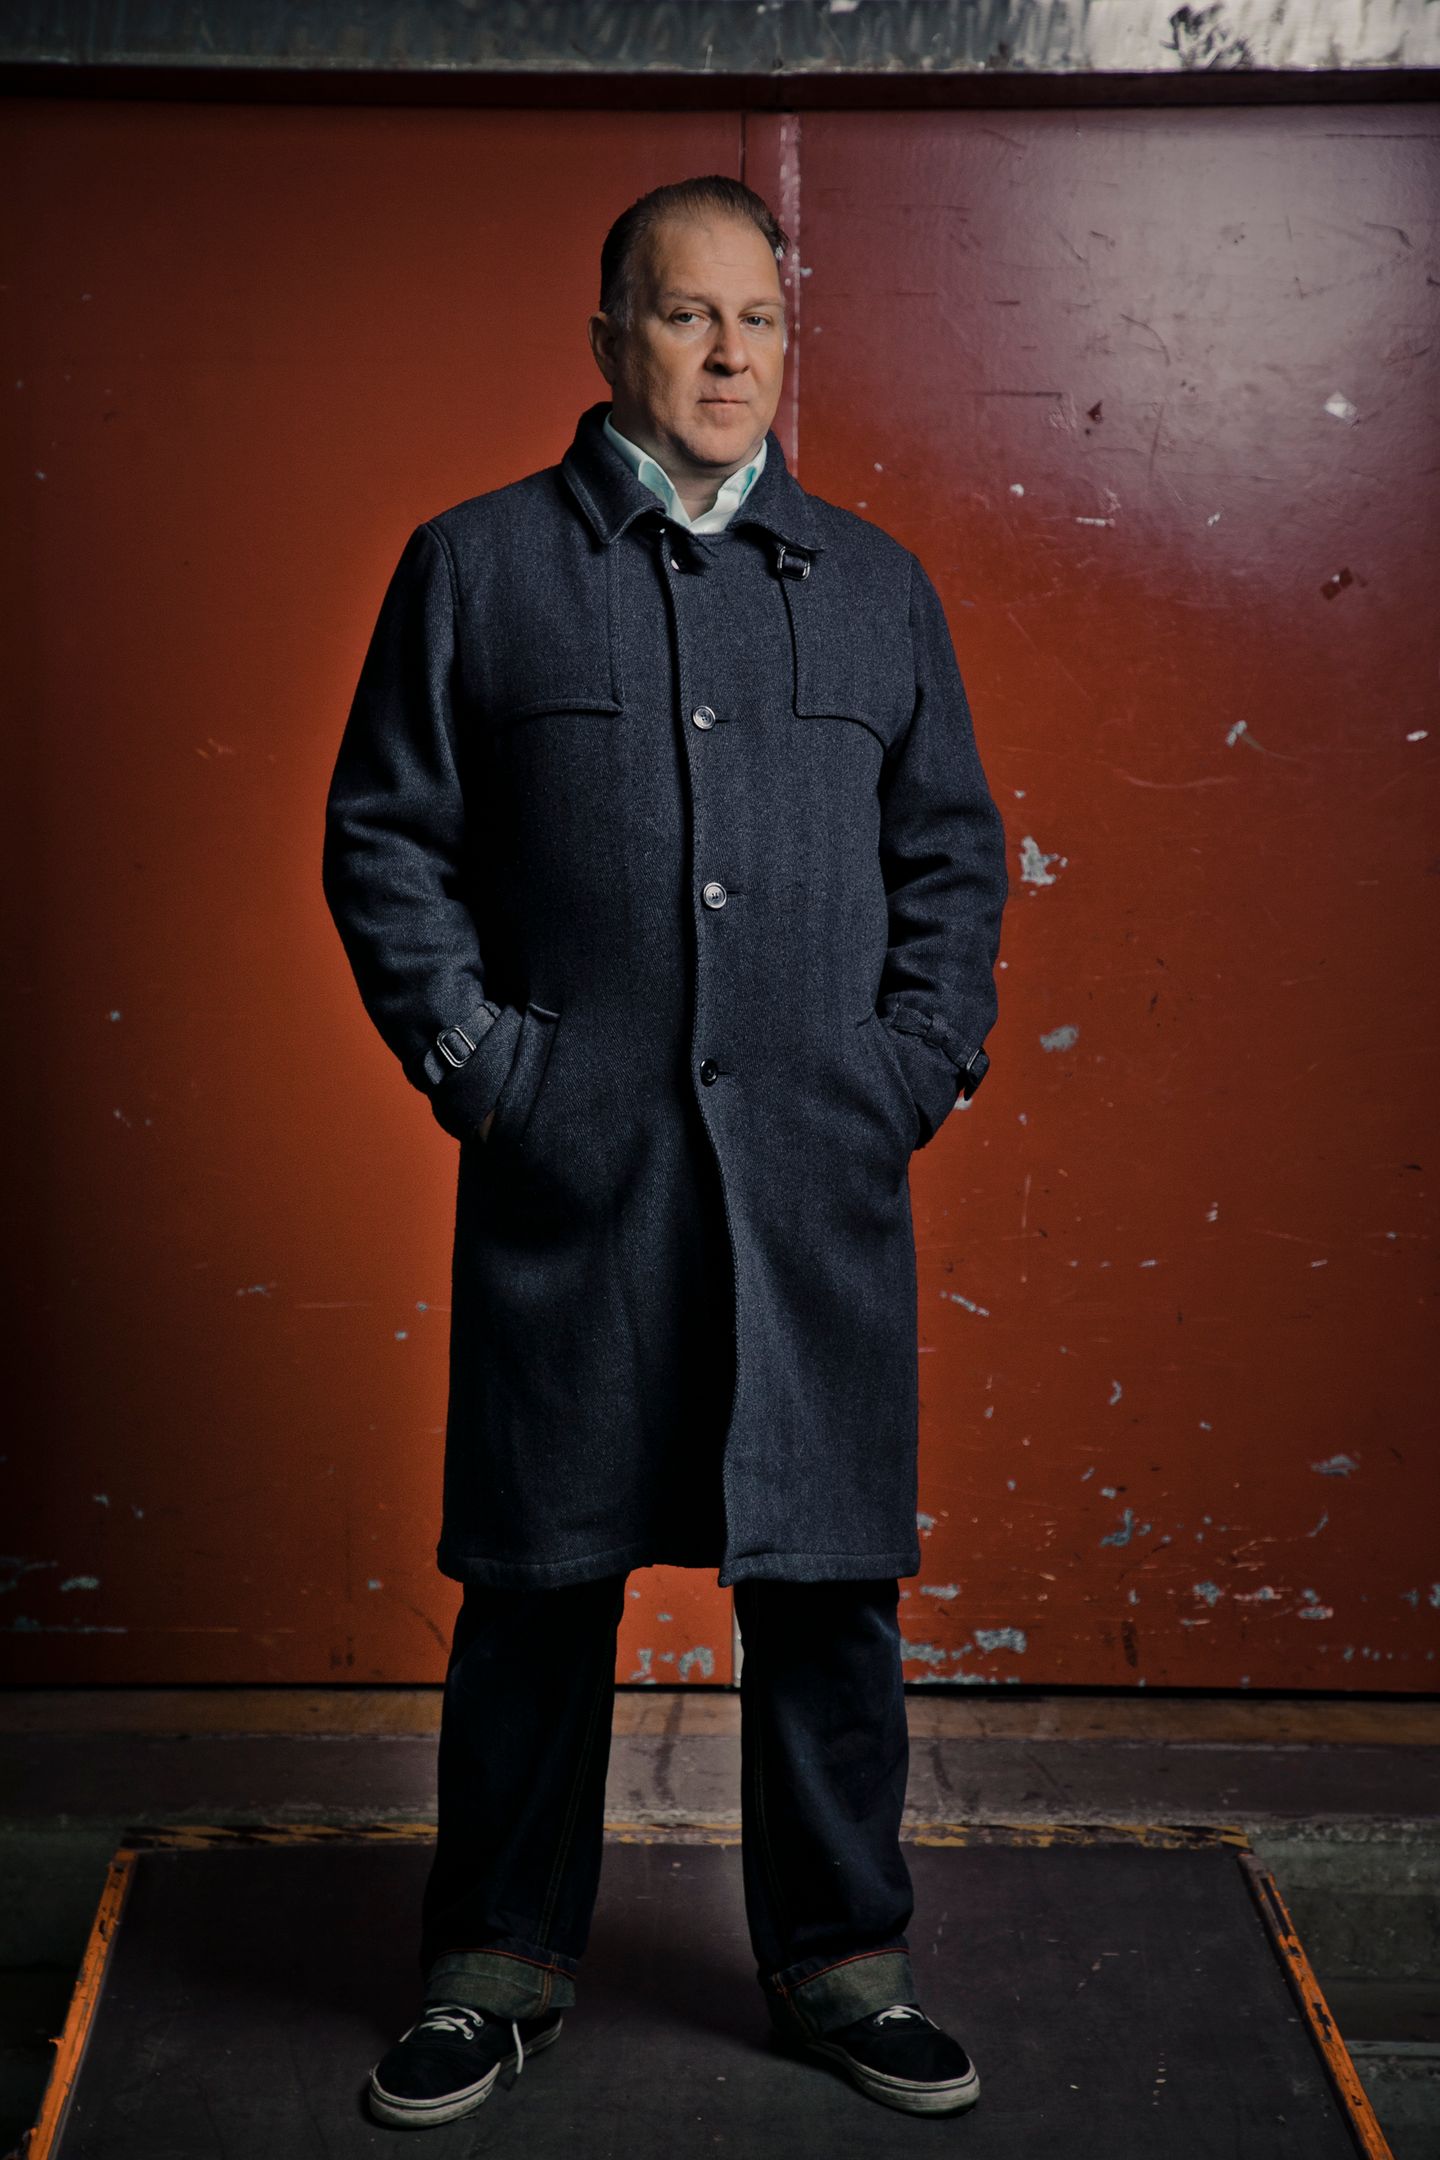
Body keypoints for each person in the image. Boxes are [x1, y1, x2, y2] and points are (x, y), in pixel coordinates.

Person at [322, 173, 1009, 2129]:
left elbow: (953, 858)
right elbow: (385, 840)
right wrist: (489, 1073)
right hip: (576, 1182)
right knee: (536, 1583)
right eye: (689, 315)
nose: (730, 356)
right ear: (610, 337)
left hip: (813, 1185)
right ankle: (494, 1962)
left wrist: (907, 1069)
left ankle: (845, 1963)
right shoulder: (476, 568)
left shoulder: (875, 586)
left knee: (829, 1583)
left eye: (759, 319)